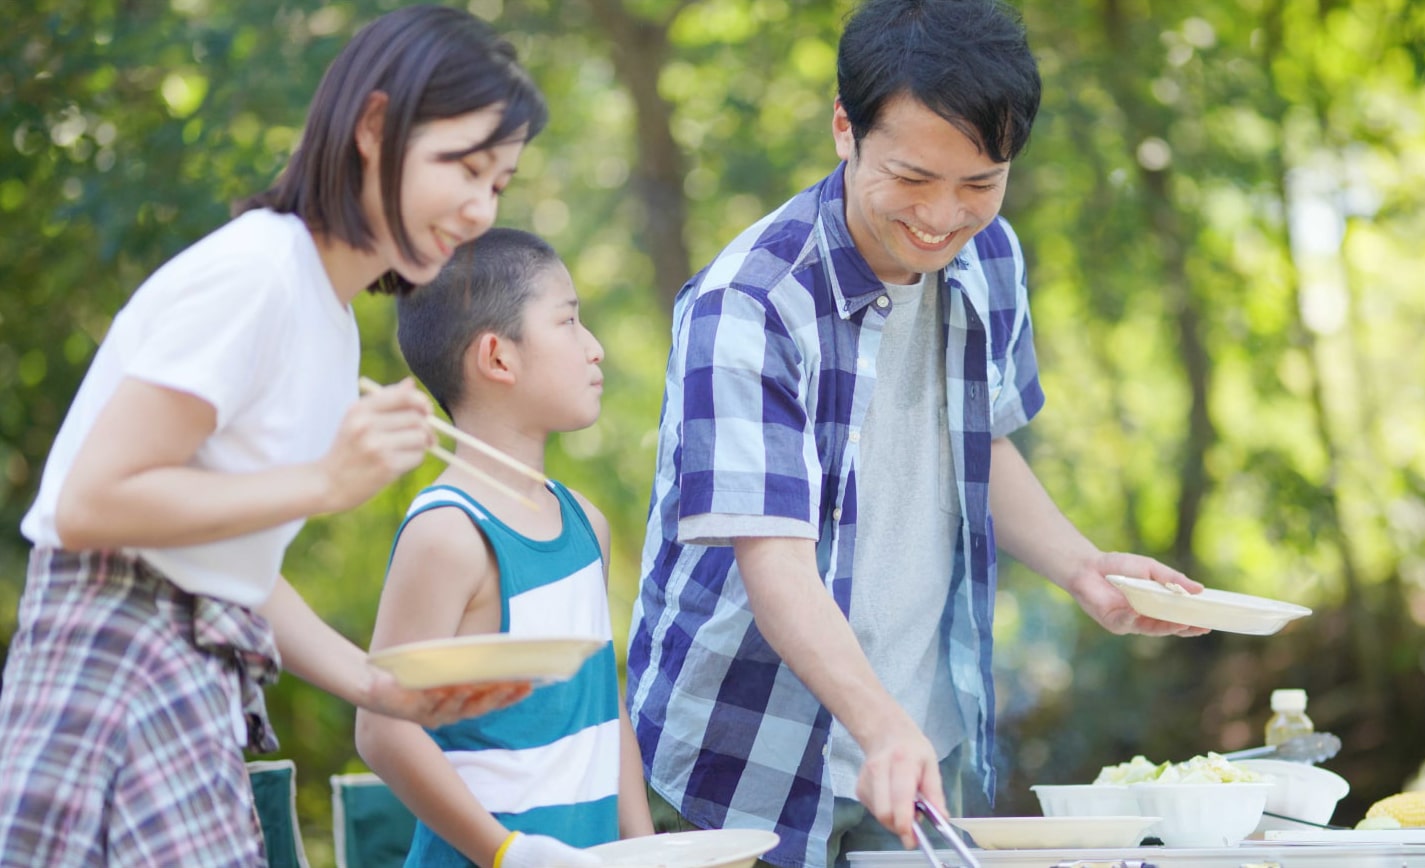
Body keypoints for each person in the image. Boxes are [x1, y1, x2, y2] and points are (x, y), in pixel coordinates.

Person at [625, 2, 1209, 867]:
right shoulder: (749, 306)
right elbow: (773, 559)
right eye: (912, 177)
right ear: (843, 129)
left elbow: (982, 446)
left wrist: (1084, 567)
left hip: (924, 750)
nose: (943, 216)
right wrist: (881, 726)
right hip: (741, 758)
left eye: (980, 182)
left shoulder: (991, 257)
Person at [0, 7, 549, 865]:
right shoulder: (257, 273)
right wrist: (325, 483)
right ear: (375, 128)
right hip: (114, 651)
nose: (480, 208)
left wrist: (383, 686)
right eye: (466, 168)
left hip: (188, 660)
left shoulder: (321, 316)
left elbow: (234, 567)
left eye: (501, 184)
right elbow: (91, 503)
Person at [357, 228, 654, 868]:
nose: (594, 349)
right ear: (498, 357)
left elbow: (606, 716)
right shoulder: (448, 535)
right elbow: (381, 729)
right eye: (569, 322)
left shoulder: (586, 524)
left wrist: (648, 851)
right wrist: (508, 853)